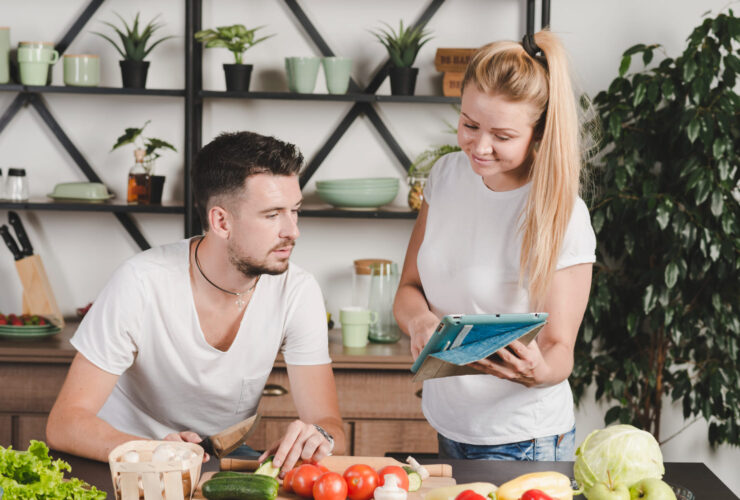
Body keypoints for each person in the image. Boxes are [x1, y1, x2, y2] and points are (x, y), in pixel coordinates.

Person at [47, 131, 344, 470]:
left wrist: (321, 437)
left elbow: (330, 424)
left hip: (220, 461)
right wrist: (153, 452)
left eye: (295, 211)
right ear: (221, 221)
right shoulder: (141, 282)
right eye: (273, 214)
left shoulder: (298, 291)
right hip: (124, 458)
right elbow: (65, 423)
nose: (293, 231)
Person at [393, 30, 596, 461]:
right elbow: (409, 290)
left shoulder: (564, 213)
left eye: (502, 136)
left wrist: (537, 371)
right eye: (469, 125)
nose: (479, 147)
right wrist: (421, 324)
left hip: (525, 439)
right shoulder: (446, 176)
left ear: (537, 133)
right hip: (448, 424)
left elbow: (560, 349)